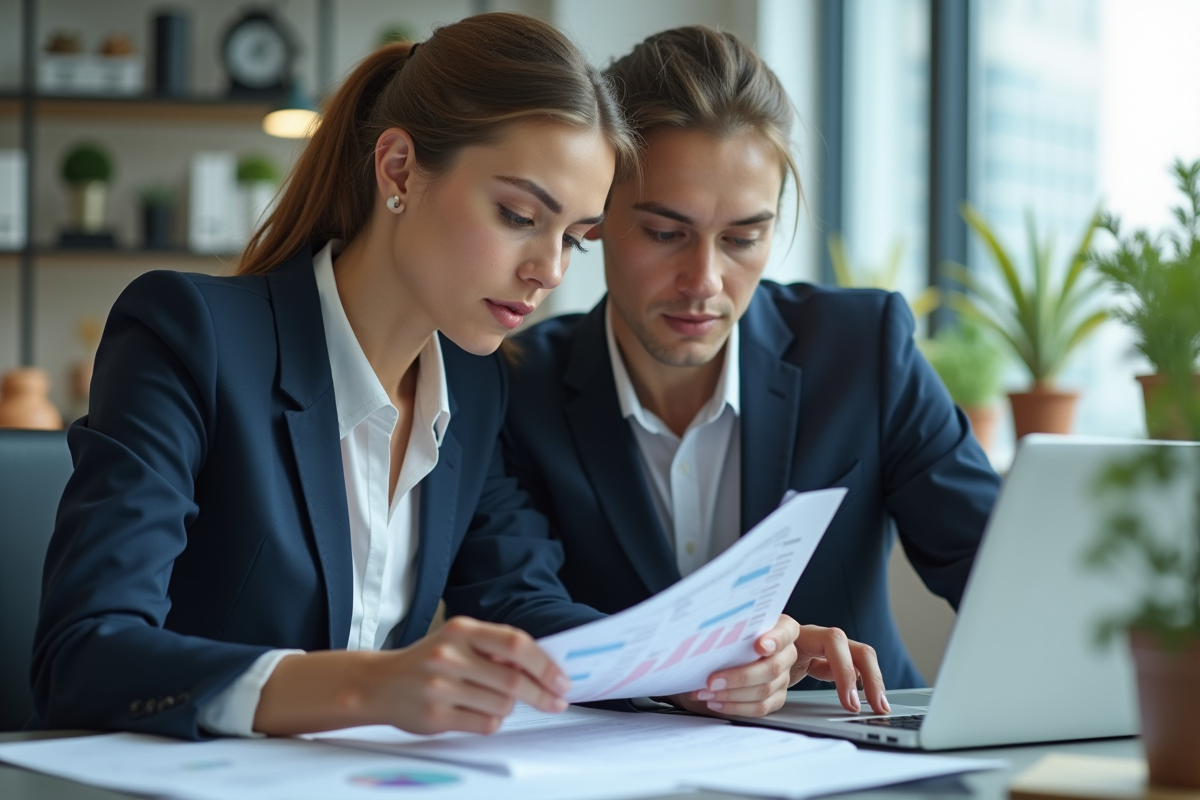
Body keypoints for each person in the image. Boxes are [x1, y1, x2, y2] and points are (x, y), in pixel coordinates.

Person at [31, 14, 642, 742]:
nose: (550, 271)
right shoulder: (190, 335)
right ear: (398, 169)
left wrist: (707, 668)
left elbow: (523, 600)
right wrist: (370, 686)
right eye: (518, 215)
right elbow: (83, 656)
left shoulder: (475, 391)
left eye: (574, 238)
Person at [503, 26, 1003, 719]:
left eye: (743, 238)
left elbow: (1002, 572)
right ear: (598, 216)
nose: (704, 280)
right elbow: (511, 607)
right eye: (665, 232)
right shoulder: (519, 383)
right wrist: (680, 668)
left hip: (855, 765)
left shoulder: (864, 352)